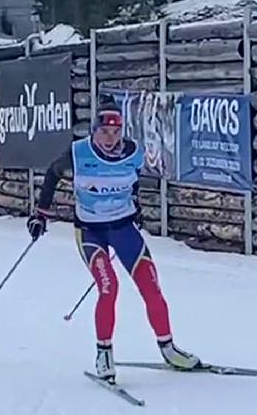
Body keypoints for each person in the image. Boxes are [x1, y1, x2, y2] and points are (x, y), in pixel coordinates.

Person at [27, 106, 200, 383]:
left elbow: (133, 184)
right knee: (109, 289)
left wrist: (137, 207)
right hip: (91, 232)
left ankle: (168, 348)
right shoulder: (78, 153)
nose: (110, 138)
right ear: (94, 132)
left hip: (124, 229)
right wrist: (41, 215)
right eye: (104, 132)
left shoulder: (134, 152)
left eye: (116, 132)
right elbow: (52, 174)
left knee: (151, 288)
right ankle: (104, 353)